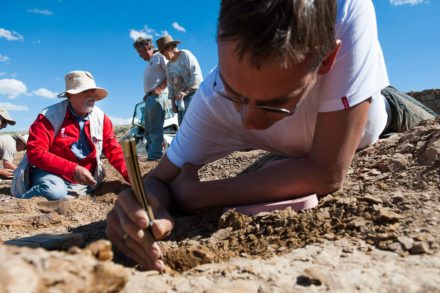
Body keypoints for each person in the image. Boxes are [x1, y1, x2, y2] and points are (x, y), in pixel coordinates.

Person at [106, 0, 438, 271]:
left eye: (275, 104)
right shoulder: (211, 98)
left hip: (387, 113)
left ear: (327, 59)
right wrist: (142, 205)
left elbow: (327, 172)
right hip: (295, 152)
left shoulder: (346, 11)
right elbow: (160, 178)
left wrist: (200, 195)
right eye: (235, 95)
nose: (248, 122)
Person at [11, 70, 129, 200]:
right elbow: (35, 152)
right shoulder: (50, 116)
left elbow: (114, 150)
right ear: (70, 95)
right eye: (85, 92)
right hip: (50, 173)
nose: (92, 96)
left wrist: (131, 176)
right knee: (54, 192)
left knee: (65, 193)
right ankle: (23, 199)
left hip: (84, 178)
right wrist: (72, 169)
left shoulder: (101, 119)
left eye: (93, 92)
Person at [133, 37, 169, 161]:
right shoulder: (150, 63)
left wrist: (159, 88)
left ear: (148, 48)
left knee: (155, 126)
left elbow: (170, 72)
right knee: (148, 128)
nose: (140, 56)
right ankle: (151, 154)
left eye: (141, 52)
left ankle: (156, 155)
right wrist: (148, 93)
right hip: (149, 98)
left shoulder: (160, 56)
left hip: (158, 97)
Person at [156, 35, 203, 125]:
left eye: (163, 51)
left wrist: (186, 92)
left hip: (193, 96)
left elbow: (197, 76)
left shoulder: (185, 55)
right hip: (180, 101)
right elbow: (170, 86)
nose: (162, 54)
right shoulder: (169, 66)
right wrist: (173, 105)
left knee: (193, 125)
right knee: (183, 127)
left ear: (170, 47)